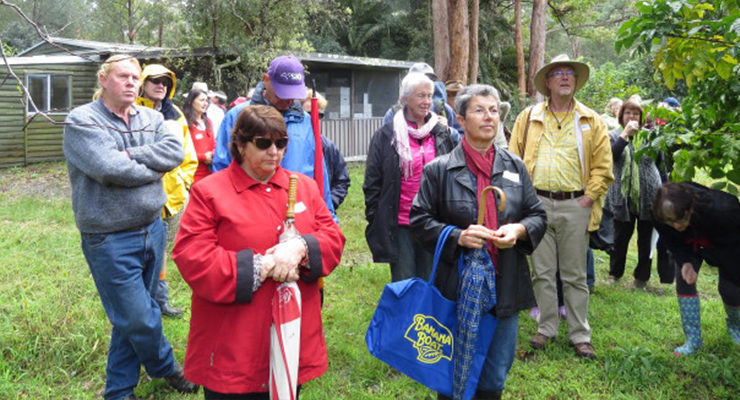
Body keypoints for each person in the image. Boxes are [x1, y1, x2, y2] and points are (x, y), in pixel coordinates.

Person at [172, 104, 345, 398]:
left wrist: (300, 248)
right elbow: (192, 255)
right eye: (263, 143)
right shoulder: (209, 192)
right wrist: (263, 266)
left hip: (291, 336)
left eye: (281, 143)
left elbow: (333, 237)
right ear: (240, 144)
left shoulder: (304, 187)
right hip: (233, 345)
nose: (274, 152)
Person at [63, 54, 198, 400]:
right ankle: (166, 367)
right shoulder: (82, 121)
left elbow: (174, 153)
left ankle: (119, 391)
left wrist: (130, 157)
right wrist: (152, 169)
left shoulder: (152, 117)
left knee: (130, 316)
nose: (131, 83)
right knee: (139, 317)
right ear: (103, 79)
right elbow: (109, 168)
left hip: (153, 229)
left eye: (135, 78)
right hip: (108, 237)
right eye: (122, 76)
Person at [410, 84, 547, 400]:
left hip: (504, 282)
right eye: (479, 110)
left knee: (495, 375)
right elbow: (419, 220)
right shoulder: (439, 170)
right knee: (452, 366)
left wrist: (519, 230)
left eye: (494, 110)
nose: (489, 117)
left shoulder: (514, 166)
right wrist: (457, 236)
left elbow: (537, 215)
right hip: (456, 285)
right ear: (460, 120)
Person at [509, 54, 613, 359]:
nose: (565, 76)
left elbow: (603, 167)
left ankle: (580, 334)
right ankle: (546, 327)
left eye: (570, 72)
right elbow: (512, 160)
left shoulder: (591, 120)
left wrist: (588, 198)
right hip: (536, 205)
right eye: (558, 73)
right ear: (548, 82)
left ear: (576, 81)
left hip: (575, 204)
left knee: (575, 274)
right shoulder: (527, 118)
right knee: (541, 272)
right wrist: (521, 199)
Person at [211, 55, 336, 218]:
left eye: (293, 95)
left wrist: (329, 216)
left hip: (298, 211)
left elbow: (319, 170)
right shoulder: (238, 116)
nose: (288, 101)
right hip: (250, 212)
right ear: (266, 80)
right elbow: (221, 168)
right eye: (282, 94)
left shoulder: (305, 121)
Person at [363, 72, 456, 282]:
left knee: (430, 281)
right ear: (405, 99)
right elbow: (372, 183)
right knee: (404, 282)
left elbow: (453, 175)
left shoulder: (441, 133)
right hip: (401, 223)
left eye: (430, 96)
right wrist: (376, 218)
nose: (427, 102)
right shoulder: (386, 135)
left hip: (433, 222)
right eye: (421, 95)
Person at [135, 63, 198, 318]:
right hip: (140, 194)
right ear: (143, 83)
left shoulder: (175, 114)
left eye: (166, 82)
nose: (161, 85)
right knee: (141, 249)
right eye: (155, 80)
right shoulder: (132, 110)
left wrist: (184, 181)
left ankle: (160, 300)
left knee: (161, 250)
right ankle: (140, 301)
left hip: (173, 197)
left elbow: (188, 154)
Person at [652, 182, 740, 355]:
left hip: (727, 245)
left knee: (729, 289)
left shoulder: (724, 210)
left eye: (680, 219)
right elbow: (672, 240)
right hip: (689, 242)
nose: (676, 226)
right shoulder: (659, 215)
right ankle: (693, 339)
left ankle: (736, 327)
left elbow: (734, 247)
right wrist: (685, 261)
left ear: (690, 207)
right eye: (670, 221)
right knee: (685, 280)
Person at [604, 100, 667, 288]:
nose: (631, 117)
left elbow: (661, 164)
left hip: (649, 194)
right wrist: (625, 135)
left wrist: (666, 190)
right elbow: (611, 157)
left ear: (641, 117)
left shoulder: (650, 136)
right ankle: (615, 274)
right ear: (621, 116)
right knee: (620, 237)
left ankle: (642, 277)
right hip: (622, 196)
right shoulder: (613, 135)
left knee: (646, 238)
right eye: (628, 113)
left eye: (636, 114)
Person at [382, 62, 463, 139]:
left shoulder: (442, 109)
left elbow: (462, 138)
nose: (425, 83)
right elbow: (383, 143)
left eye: (429, 80)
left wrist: (449, 131)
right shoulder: (395, 114)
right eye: (420, 80)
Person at [302, 89, 351, 210]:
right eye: (309, 114)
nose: (314, 119)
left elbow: (342, 180)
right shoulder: (288, 145)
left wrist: (329, 204)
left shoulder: (328, 146)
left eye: (318, 115)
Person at [183, 88, 216, 183]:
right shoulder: (184, 122)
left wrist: (212, 154)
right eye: (202, 100)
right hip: (192, 175)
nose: (205, 103)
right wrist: (203, 157)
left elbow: (214, 144)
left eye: (206, 101)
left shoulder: (208, 122)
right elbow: (182, 151)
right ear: (191, 101)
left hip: (209, 173)